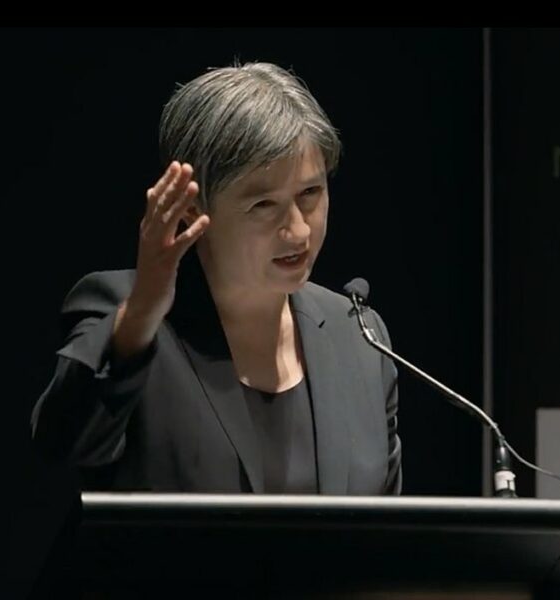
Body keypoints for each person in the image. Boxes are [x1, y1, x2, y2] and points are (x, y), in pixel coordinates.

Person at [30, 61, 402, 495]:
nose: (298, 230)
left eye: (310, 194)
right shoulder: (127, 316)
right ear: (192, 206)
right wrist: (143, 315)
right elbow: (62, 449)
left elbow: (383, 533)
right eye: (263, 204)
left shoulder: (359, 336)